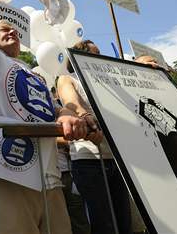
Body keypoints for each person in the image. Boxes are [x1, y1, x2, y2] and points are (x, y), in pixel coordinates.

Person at [0, 0, 90, 234]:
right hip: (2, 173)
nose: (11, 33)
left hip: (49, 178)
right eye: (3, 30)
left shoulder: (34, 75)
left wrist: (66, 117)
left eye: (14, 31)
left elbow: (52, 111)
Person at [57, 40, 132, 234]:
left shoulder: (109, 84)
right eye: (95, 52)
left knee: (124, 223)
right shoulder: (68, 79)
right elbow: (71, 102)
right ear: (79, 55)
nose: (100, 56)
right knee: (103, 224)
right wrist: (84, 116)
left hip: (117, 160)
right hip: (89, 162)